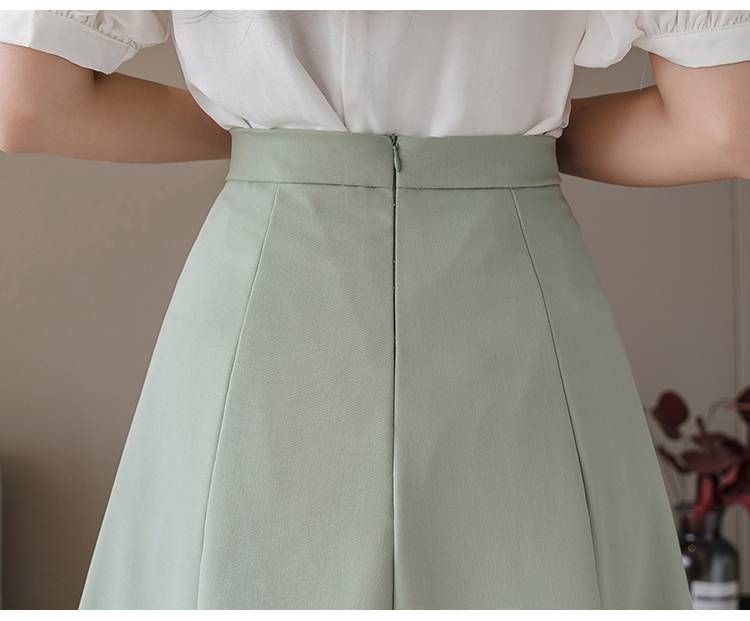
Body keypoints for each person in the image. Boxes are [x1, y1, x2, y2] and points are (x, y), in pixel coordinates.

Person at [0, 10, 748, 610]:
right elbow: (723, 127)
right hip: (515, 280)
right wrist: (515, 142)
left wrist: (268, 142)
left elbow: (26, 100)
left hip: (271, 281)